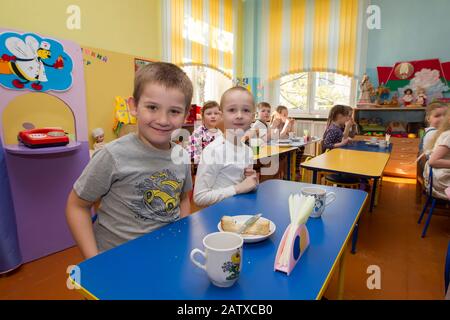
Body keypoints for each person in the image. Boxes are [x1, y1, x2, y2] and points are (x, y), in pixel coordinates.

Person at [66, 62, 194, 259]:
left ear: (185, 115)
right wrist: (93, 260)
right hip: (117, 260)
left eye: (174, 111)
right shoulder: (112, 155)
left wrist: (181, 235)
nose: (163, 120)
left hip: (166, 254)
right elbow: (76, 206)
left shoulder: (182, 155)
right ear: (133, 107)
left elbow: (183, 199)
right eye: (152, 107)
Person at [193, 86, 258, 207]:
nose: (239, 115)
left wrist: (251, 181)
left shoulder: (248, 151)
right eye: (232, 110)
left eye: (246, 110)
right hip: (216, 218)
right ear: (221, 116)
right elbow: (199, 197)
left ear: (253, 117)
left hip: (239, 212)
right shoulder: (213, 151)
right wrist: (237, 188)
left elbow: (244, 186)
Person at [423, 107, 450, 199]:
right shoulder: (443, 134)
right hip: (439, 179)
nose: (442, 118)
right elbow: (432, 160)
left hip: (436, 175)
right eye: (437, 116)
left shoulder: (441, 133)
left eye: (444, 115)